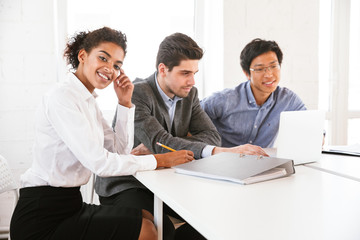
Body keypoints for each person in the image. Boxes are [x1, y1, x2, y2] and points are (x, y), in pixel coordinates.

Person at [10, 27, 194, 240]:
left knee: (151, 218)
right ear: (82, 56)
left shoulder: (87, 101)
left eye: (117, 65)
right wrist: (160, 160)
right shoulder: (62, 98)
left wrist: (125, 103)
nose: (110, 69)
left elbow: (119, 150)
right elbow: (100, 164)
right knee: (147, 231)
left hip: (71, 205)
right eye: (103, 58)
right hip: (42, 216)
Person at [95, 33, 268, 240]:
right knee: (162, 230)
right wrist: (167, 145)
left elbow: (212, 136)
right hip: (129, 183)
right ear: (162, 69)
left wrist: (163, 146)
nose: (192, 81)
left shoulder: (190, 95)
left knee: (208, 222)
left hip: (168, 181)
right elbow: (164, 142)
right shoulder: (138, 93)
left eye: (194, 73)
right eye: (185, 73)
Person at [201, 38, 306, 148]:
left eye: (273, 66)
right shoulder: (224, 100)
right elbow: (190, 119)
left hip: (264, 163)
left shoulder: (288, 99)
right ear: (247, 73)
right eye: (260, 69)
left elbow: (311, 127)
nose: (269, 74)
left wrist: (319, 138)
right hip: (224, 162)